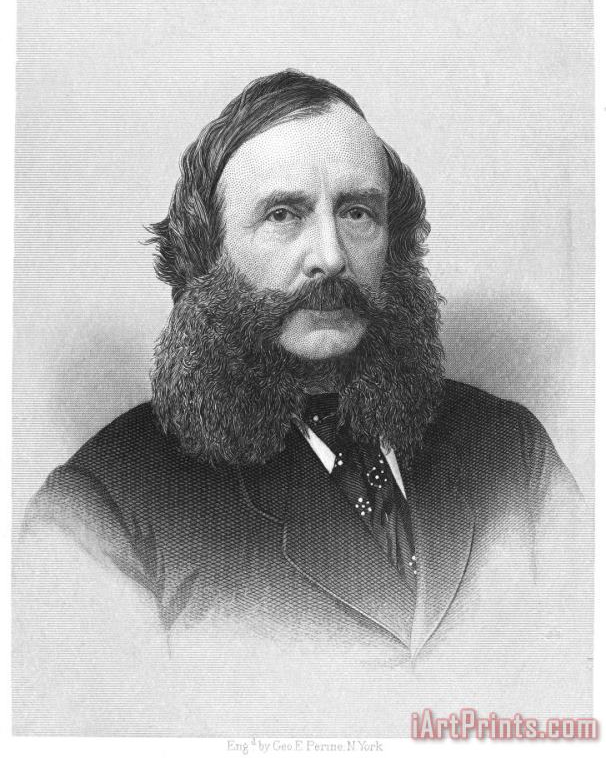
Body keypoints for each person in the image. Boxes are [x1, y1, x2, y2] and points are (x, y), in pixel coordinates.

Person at [15, 70, 591, 734]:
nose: (331, 257)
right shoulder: (98, 507)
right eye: (283, 215)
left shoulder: (512, 452)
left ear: (394, 241)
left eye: (357, 213)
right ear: (206, 257)